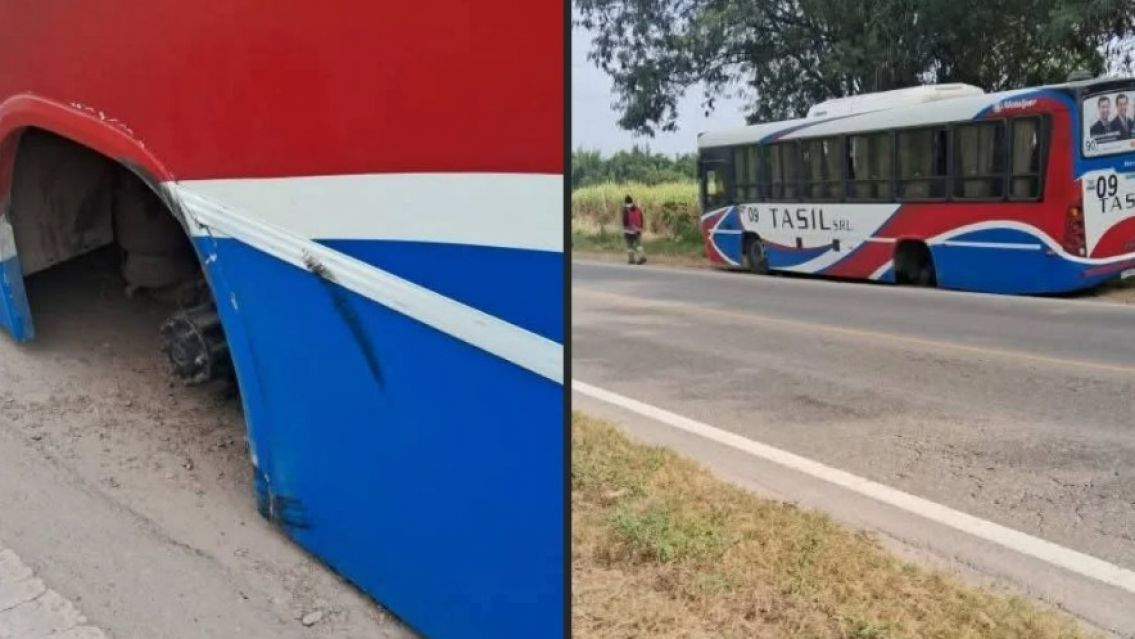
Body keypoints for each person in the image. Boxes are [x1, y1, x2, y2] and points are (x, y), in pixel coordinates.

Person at [621, 195, 646, 265]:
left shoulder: (625, 209)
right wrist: (640, 227)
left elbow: (625, 221)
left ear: (625, 202)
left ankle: (631, 259)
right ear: (632, 201)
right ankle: (641, 257)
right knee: (639, 245)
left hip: (628, 231)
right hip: (638, 230)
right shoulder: (638, 209)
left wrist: (625, 228)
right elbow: (641, 218)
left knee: (630, 246)